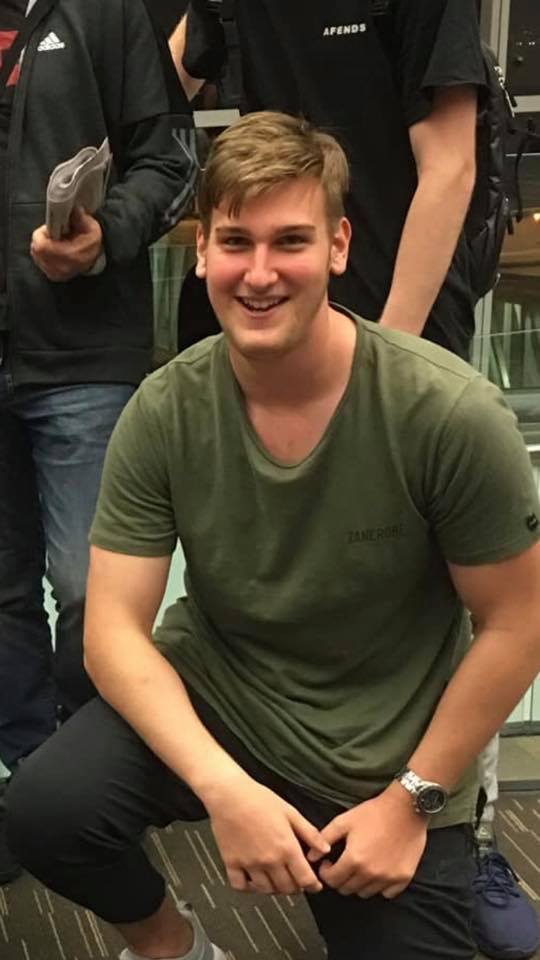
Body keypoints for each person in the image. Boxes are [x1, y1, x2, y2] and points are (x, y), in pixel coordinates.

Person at [6, 111, 540, 960]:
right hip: (226, 698)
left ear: (337, 246)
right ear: (203, 252)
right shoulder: (166, 409)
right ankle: (174, 949)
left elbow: (516, 624)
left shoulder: (444, 412)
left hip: (384, 753)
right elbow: (111, 629)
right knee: (46, 812)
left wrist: (413, 802)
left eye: (290, 240)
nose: (258, 274)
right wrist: (225, 789)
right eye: (235, 242)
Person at [170, 5, 540, 954]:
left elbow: (450, 164)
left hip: (395, 332)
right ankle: (311, 794)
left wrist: (388, 370)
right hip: (272, 309)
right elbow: (167, 71)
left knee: (443, 606)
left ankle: (466, 831)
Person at [0, 0, 197, 883]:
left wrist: (105, 236)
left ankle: (80, 788)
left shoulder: (103, 12)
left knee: (92, 590)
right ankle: (24, 787)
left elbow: (170, 158)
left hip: (80, 352)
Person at [170, 0, 484, 359]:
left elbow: (450, 169)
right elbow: (165, 79)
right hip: (278, 306)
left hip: (398, 311)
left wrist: (387, 353)